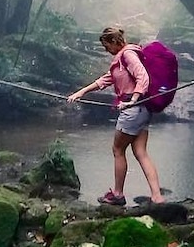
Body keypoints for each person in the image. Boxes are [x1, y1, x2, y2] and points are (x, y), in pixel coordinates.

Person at [67, 26, 165, 206]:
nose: (107, 51)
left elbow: (143, 77)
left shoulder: (128, 55)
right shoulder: (121, 60)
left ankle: (118, 194)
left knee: (118, 150)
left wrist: (133, 99)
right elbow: (105, 80)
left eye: (106, 46)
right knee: (140, 152)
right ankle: (157, 196)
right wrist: (80, 93)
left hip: (133, 109)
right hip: (143, 111)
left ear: (114, 41)